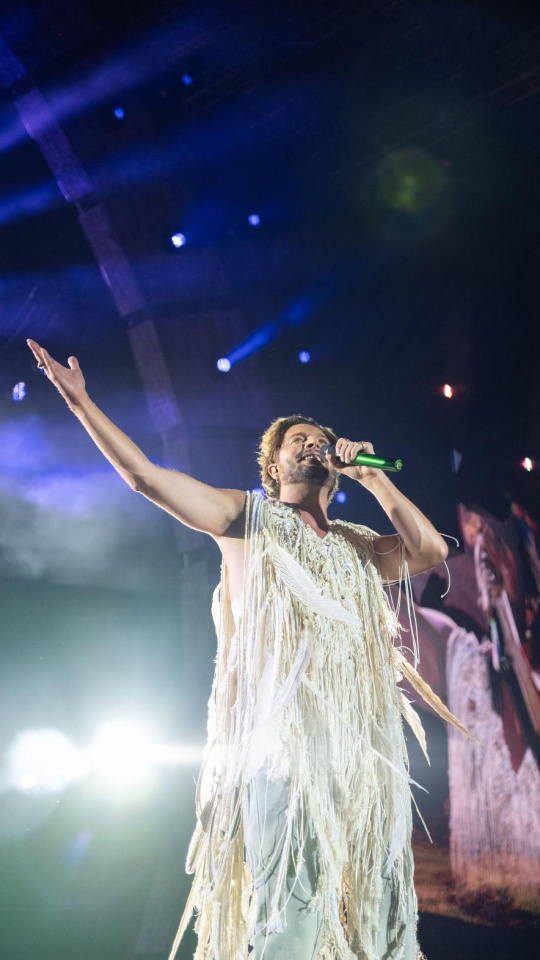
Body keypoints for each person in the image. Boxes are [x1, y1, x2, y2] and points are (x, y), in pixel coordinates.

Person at [27, 339, 469, 960]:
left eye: (322, 440)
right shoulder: (247, 519)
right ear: (274, 467)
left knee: (387, 926)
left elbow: (429, 553)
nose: (315, 445)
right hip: (285, 754)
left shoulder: (359, 542)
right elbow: (146, 479)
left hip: (365, 760)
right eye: (300, 441)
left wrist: (374, 479)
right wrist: (82, 406)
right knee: (291, 926)